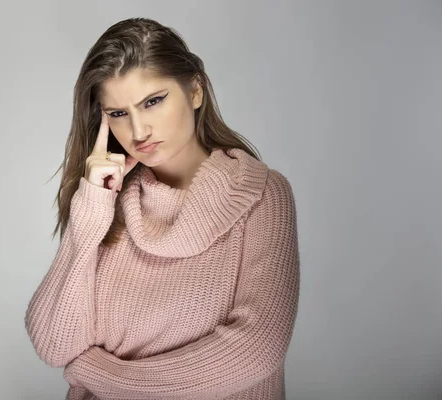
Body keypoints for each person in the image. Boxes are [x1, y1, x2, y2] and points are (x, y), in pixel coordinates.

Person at [24, 17, 300, 400]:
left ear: (195, 91)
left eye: (153, 102)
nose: (139, 131)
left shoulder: (262, 195)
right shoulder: (105, 203)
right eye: (118, 113)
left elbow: (256, 351)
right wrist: (90, 209)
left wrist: (102, 375)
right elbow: (54, 344)